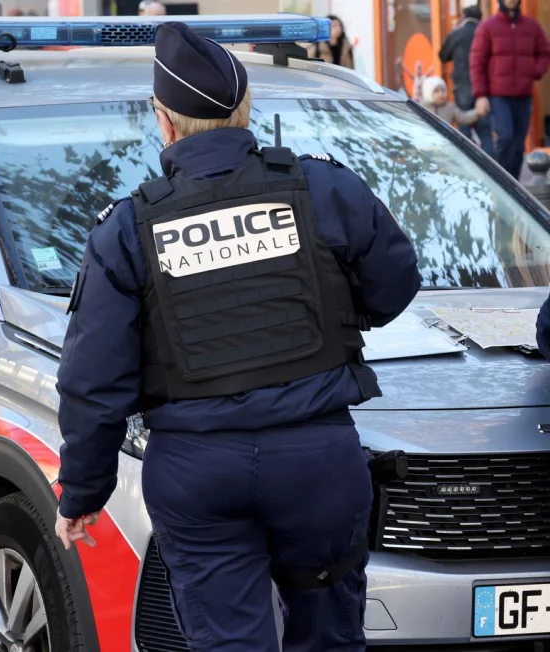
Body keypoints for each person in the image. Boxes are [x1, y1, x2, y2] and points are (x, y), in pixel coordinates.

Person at [54, 22, 421, 652]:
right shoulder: (324, 189)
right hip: (317, 460)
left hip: (199, 473)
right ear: (246, 112)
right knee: (330, 638)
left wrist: (84, 490)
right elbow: (394, 288)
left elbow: (95, 380)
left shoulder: (127, 229)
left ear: (163, 122)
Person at [471, 0, 550, 179]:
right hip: (499, 96)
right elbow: (477, 62)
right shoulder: (488, 27)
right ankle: (502, 182)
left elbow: (545, 52)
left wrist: (535, 72)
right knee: (505, 138)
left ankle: (513, 186)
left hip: (524, 95)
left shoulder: (531, 26)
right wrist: (481, 95)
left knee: (518, 144)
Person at [439, 5, 493, 155]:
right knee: (485, 131)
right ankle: (493, 167)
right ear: (480, 18)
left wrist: (454, 31)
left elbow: (443, 55)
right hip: (483, 86)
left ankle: (469, 161)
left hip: (462, 86)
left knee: (464, 129)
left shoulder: (457, 34)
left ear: (463, 16)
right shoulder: (486, 33)